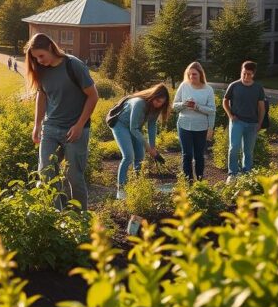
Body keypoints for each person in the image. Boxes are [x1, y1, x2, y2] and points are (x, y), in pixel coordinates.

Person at [25, 32, 99, 210]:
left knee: (74, 176)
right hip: (50, 128)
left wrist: (80, 125)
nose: (39, 61)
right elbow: (41, 96)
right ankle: (57, 217)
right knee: (46, 173)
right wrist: (37, 125)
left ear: (51, 47)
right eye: (35, 58)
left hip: (75, 129)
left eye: (41, 56)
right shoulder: (41, 70)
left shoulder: (73, 65)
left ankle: (81, 219)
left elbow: (93, 96)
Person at [112, 83, 170, 199]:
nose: (159, 105)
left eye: (161, 103)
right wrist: (148, 146)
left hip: (135, 128)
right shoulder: (139, 103)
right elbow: (133, 128)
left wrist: (152, 147)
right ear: (153, 96)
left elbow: (152, 125)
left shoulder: (157, 107)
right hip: (120, 125)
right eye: (157, 101)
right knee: (128, 156)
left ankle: (137, 186)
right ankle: (121, 191)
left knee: (140, 157)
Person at [223, 60, 266, 181]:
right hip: (237, 121)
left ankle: (246, 174)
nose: (246, 76)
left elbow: (261, 107)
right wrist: (231, 116)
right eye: (244, 73)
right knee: (234, 147)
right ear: (241, 72)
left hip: (252, 124)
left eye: (249, 74)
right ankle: (232, 174)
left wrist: (259, 123)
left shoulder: (258, 88)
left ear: (253, 74)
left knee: (248, 150)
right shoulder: (234, 85)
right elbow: (225, 101)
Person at [173, 62, 216, 182]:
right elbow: (174, 106)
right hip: (184, 125)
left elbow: (212, 110)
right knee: (186, 155)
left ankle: (200, 181)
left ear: (200, 74)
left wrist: (197, 107)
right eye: (190, 74)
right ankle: (189, 181)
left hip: (201, 127)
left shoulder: (208, 89)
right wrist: (184, 104)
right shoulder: (184, 86)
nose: (192, 77)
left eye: (195, 74)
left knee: (199, 156)